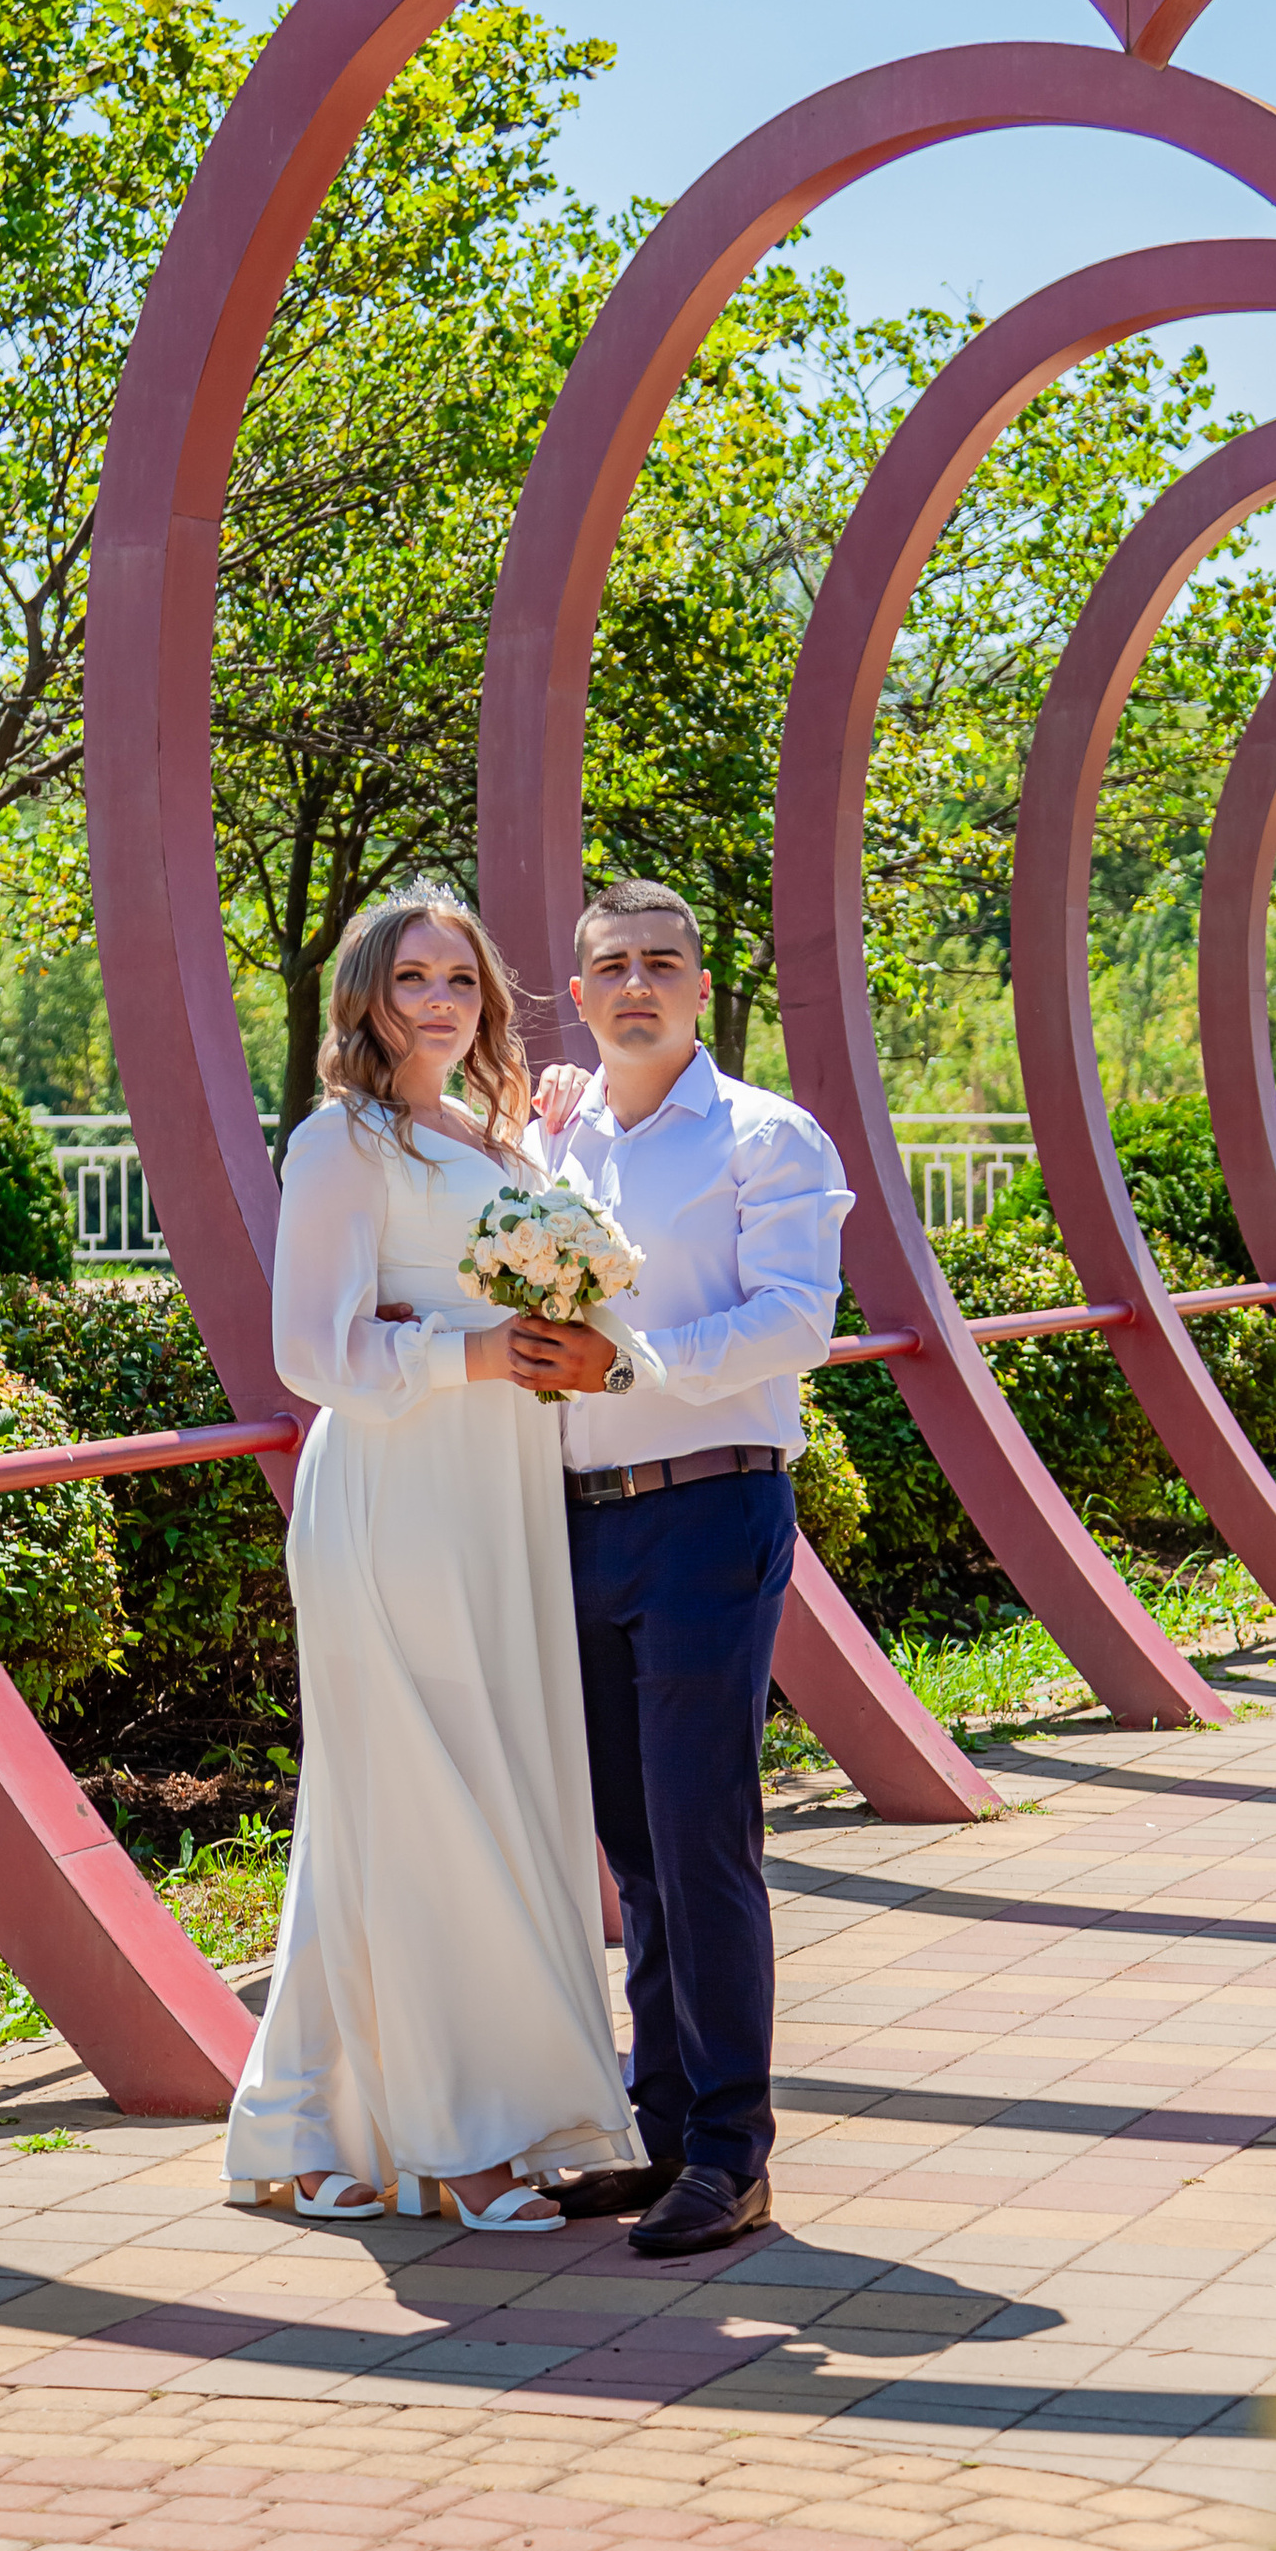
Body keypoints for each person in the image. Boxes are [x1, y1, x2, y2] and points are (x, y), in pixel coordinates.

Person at [223, 892, 644, 2227]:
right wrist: (463, 1353)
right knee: (423, 1802)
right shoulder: (342, 1143)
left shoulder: (497, 1135)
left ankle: (302, 2126)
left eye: (461, 977)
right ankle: (457, 2140)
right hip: (397, 1497)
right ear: (368, 994)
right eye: (414, 977)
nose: (442, 999)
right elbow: (307, 1352)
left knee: (400, 1808)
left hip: (501, 1493)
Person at [513, 877, 854, 2258]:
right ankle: (660, 2139)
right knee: (636, 1846)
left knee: (704, 1837)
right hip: (575, 1517)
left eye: (663, 963)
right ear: (579, 994)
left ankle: (733, 2153)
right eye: (611, 967)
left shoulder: (765, 1137)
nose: (637, 987)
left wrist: (636, 1361)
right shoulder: (554, 1144)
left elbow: (798, 1321)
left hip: (713, 1514)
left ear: (703, 987)